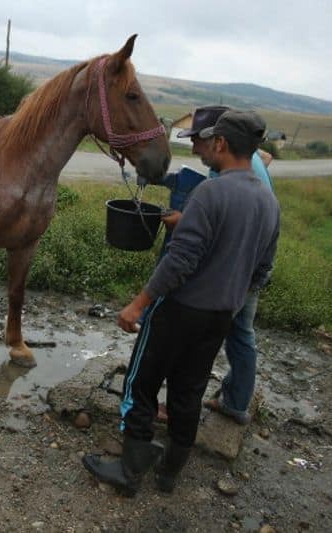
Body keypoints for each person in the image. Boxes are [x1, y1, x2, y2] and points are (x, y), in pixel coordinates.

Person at [82, 110, 280, 496]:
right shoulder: (268, 202)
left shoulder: (212, 191)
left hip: (179, 311)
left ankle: (129, 470)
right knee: (188, 393)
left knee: (140, 385)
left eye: (207, 143)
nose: (201, 150)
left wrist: (138, 304)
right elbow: (263, 269)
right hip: (220, 317)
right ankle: (169, 474)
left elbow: (180, 261)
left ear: (221, 143)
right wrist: (231, 301)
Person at [156, 105, 276, 426]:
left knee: (198, 343)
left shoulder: (226, 174)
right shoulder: (247, 164)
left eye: (198, 140)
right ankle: (236, 403)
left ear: (218, 141)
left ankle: (178, 410)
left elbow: (221, 230)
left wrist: (184, 222)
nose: (194, 148)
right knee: (238, 336)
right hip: (251, 267)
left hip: (237, 272)